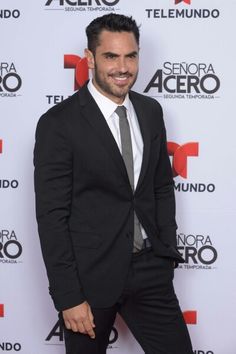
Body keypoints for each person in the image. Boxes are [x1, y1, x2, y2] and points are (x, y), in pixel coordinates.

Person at [34, 13, 193, 354]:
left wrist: (165, 250)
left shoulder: (150, 111)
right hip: (90, 280)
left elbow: (161, 186)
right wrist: (69, 297)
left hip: (150, 270)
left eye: (131, 56)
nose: (123, 67)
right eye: (111, 56)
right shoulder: (58, 124)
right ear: (90, 58)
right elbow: (52, 217)